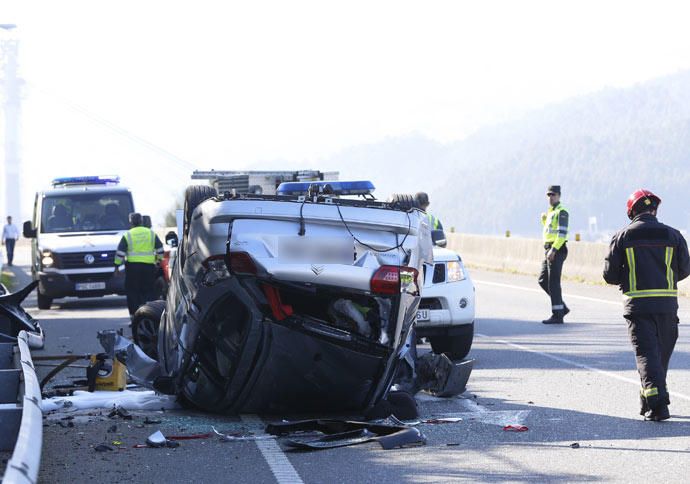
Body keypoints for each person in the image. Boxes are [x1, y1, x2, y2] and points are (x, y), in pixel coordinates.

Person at [603, 189, 690, 421]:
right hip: (668, 307)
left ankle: (658, 406)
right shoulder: (674, 236)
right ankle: (648, 400)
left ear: (631, 212)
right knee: (658, 358)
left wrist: (630, 278)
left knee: (647, 357)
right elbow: (684, 269)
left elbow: (610, 275)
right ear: (654, 210)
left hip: (638, 307)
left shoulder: (622, 236)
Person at [114, 213, 164, 319]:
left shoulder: (128, 235)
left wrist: (117, 266)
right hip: (149, 267)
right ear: (141, 221)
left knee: (132, 292)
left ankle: (134, 317)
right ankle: (151, 315)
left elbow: (120, 253)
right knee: (149, 291)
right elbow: (160, 249)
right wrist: (158, 261)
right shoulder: (150, 233)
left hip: (133, 268)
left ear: (131, 222)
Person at [539, 185, 570, 324]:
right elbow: (550, 230)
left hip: (556, 250)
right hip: (549, 249)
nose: (550, 197)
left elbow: (561, 234)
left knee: (554, 283)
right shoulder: (551, 212)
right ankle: (561, 307)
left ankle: (557, 315)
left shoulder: (562, 211)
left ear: (559, 196)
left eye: (553, 195)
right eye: (549, 195)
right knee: (543, 280)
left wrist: (554, 250)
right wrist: (544, 221)